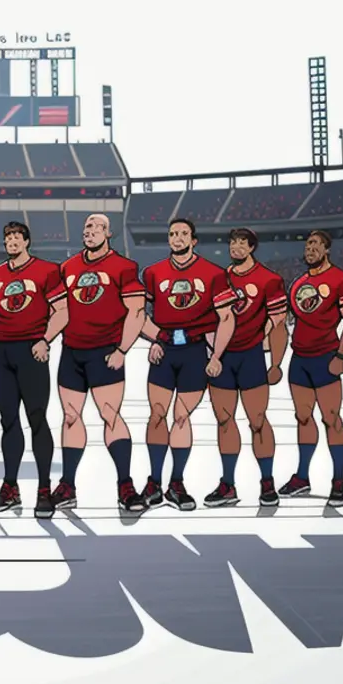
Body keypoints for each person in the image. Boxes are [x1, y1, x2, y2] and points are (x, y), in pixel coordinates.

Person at [139, 218, 237, 510]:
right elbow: (138, 314)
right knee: (157, 414)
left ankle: (176, 483)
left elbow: (227, 317)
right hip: (165, 350)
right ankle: (154, 482)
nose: (177, 238)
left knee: (181, 417)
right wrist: (154, 338)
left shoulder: (214, 274)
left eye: (183, 234)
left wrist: (216, 355)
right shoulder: (153, 273)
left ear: (194, 240)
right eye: (172, 234)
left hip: (195, 351)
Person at [55, 213, 148, 512]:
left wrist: (122, 349)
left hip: (105, 351)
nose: (90, 232)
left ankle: (125, 485)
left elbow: (136, 312)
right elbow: (59, 309)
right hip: (71, 352)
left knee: (110, 415)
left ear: (109, 234)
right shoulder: (67, 267)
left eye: (97, 228)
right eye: (87, 228)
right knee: (70, 416)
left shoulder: (123, 267)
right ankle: (67, 484)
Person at [0, 220, 69, 517]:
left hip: (32, 349)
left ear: (27, 241)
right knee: (8, 420)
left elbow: (62, 311)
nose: (13, 241)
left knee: (37, 418)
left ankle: (44, 489)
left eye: (18, 237)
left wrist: (45, 339)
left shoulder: (47, 270)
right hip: (2, 351)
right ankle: (11, 487)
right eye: (8, 238)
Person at [205, 228, 288, 508]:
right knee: (224, 420)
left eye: (242, 243)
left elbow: (278, 320)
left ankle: (267, 482)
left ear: (251, 247)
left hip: (251, 356)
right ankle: (228, 484)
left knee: (258, 421)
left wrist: (273, 359)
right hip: (223, 358)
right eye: (232, 242)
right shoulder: (218, 278)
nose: (236, 247)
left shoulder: (270, 279)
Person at [282, 230, 343, 508]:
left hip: (325, 358)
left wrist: (340, 356)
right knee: (303, 417)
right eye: (307, 245)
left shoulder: (342, 280)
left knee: (331, 418)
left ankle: (338, 480)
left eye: (316, 244)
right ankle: (302, 477)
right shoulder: (298, 283)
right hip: (299, 359)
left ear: (327, 250)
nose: (310, 249)